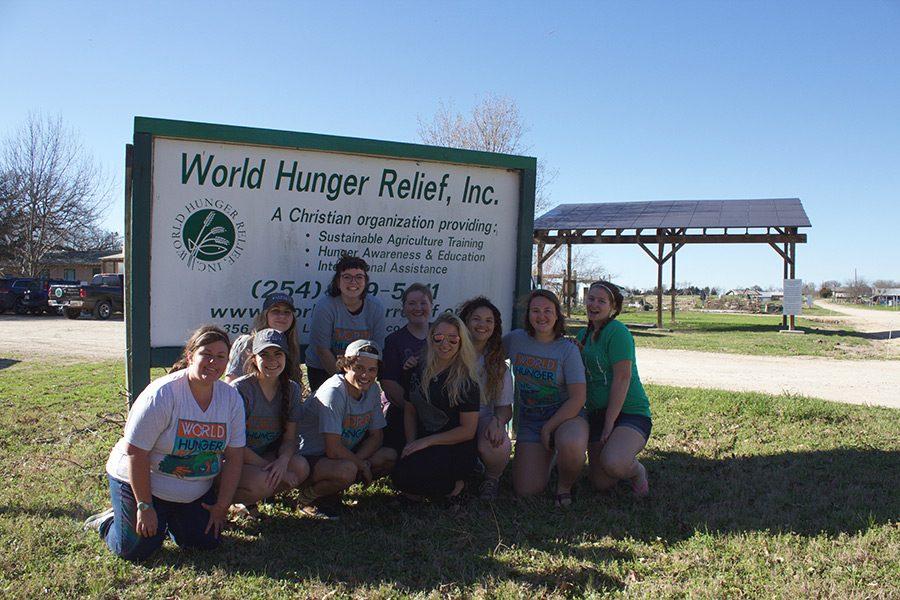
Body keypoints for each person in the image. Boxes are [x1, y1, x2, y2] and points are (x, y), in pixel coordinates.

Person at [84, 325, 246, 561]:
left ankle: (170, 520)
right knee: (136, 549)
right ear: (190, 356)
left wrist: (222, 505)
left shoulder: (231, 398)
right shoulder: (163, 394)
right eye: (206, 354)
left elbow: (234, 457)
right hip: (142, 481)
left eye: (221, 356)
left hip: (193, 489)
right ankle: (110, 521)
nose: (213, 362)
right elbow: (135, 453)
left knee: (206, 542)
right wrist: (144, 507)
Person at [294, 339, 396, 519]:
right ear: (346, 366)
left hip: (344, 454)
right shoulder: (333, 392)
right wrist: (359, 465)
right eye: (359, 368)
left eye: (372, 370)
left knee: (388, 456)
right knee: (346, 470)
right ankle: (307, 499)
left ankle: (334, 490)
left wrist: (361, 463)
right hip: (310, 457)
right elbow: (332, 449)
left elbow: (376, 436)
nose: (365, 375)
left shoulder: (371, 389)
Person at [503, 290, 587, 507]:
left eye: (548, 311)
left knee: (571, 442)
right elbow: (485, 352)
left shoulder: (568, 349)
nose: (542, 316)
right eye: (535, 311)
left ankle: (564, 485)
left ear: (557, 315)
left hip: (566, 417)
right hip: (530, 419)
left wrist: (550, 427)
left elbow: (578, 398)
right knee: (526, 490)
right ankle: (548, 455)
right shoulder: (515, 339)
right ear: (528, 315)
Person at [391, 314, 481, 502]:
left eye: (453, 339)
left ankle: (460, 483)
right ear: (430, 339)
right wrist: (411, 443)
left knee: (437, 483)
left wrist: (427, 442)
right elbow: (410, 409)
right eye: (438, 338)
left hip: (453, 443)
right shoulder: (417, 369)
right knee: (401, 476)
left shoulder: (467, 381)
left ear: (461, 341)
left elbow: (468, 430)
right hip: (423, 438)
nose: (445, 344)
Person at [578, 281, 651, 496]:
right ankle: (617, 454)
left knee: (615, 463)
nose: (594, 304)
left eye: (602, 301)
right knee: (601, 483)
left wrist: (609, 423)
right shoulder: (582, 335)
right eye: (591, 299)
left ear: (613, 308)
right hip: (597, 414)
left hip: (630, 412)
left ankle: (638, 473)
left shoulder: (617, 332)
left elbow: (622, 377)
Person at [230, 329, 310, 518]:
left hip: (265, 455)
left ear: (286, 357)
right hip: (235, 459)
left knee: (300, 467)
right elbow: (234, 445)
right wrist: (272, 468)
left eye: (278, 354)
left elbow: (290, 438)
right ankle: (229, 500)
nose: (272, 360)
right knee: (264, 479)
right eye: (264, 354)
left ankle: (249, 500)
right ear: (253, 358)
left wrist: (282, 462)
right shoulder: (240, 389)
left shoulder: (292, 389)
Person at [459, 296, 513, 501]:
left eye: (489, 320)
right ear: (465, 322)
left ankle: (492, 478)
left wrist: (498, 422)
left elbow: (505, 407)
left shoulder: (497, 362)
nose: (482, 325)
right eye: (476, 319)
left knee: (496, 444)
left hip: (483, 417)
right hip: (452, 416)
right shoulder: (451, 350)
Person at [305, 255, 386, 392]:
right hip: (323, 368)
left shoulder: (376, 307)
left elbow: (377, 349)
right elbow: (322, 351)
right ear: (338, 281)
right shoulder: (325, 306)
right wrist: (345, 382)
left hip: (360, 369)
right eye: (347, 277)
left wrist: (361, 377)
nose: (353, 282)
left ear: (366, 282)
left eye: (359, 277)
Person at [380, 283, 433, 452]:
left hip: (439, 412)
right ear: (403, 308)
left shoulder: (442, 335)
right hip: (404, 411)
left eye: (423, 303)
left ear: (432, 306)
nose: (418, 308)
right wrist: (414, 410)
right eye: (411, 303)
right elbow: (388, 383)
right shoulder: (394, 341)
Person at [224, 292, 302, 385]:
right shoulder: (247, 342)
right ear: (265, 315)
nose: (282, 316)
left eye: (287, 312)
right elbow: (231, 384)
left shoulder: (291, 344)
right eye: (275, 311)